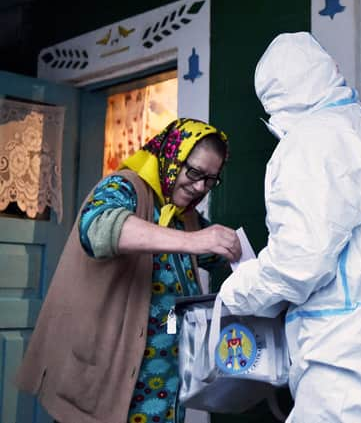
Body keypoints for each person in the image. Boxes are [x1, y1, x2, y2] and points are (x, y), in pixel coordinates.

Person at [219, 32, 361, 422]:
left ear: (277, 98)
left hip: (352, 350)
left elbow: (299, 263)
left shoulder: (313, 139)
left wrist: (237, 291)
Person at [15, 118, 241, 423]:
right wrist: (193, 241)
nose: (200, 186)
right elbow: (98, 228)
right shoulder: (124, 187)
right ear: (171, 157)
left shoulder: (184, 216)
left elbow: (222, 255)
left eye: (211, 179)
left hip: (166, 391)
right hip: (111, 384)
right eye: (194, 172)